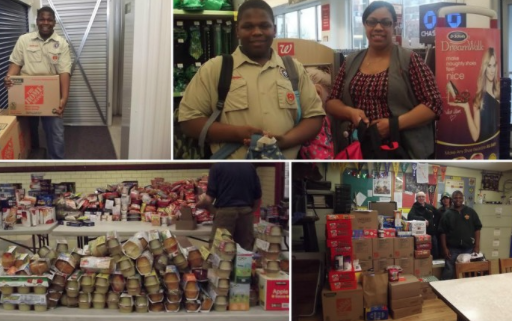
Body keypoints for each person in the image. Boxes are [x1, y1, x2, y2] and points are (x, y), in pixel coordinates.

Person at [178, 0, 325, 159]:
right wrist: (237, 134)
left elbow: (314, 117)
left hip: (286, 169)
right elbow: (189, 121)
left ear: (274, 30)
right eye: (248, 27)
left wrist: (284, 141)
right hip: (233, 171)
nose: (257, 32)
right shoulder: (215, 69)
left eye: (264, 26)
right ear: (237, 31)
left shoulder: (293, 69)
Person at [326, 1, 442, 159]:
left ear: (394, 26)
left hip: (401, 148)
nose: (378, 27)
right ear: (365, 25)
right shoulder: (351, 61)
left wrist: (393, 125)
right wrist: (350, 112)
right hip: (358, 147)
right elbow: (332, 102)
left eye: (386, 22)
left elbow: (434, 104)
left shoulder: (409, 60)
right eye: (372, 22)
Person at [4, 6, 71, 159]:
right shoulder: (24, 40)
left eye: (49, 19)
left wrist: (64, 99)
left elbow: (64, 72)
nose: (45, 22)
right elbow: (16, 63)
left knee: (56, 134)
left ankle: (57, 163)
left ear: (54, 22)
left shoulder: (61, 44)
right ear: (37, 21)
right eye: (42, 19)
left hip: (51, 96)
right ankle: (33, 157)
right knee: (27, 132)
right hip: (26, 95)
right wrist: (9, 77)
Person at [197, 163, 262, 251]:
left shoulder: (217, 167)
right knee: (245, 251)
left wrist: (198, 204)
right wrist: (250, 212)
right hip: (246, 213)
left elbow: (209, 200)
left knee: (219, 250)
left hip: (225, 214)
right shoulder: (250, 166)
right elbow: (257, 197)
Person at [447, 47, 500, 143]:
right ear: (484, 67)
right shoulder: (479, 98)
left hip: (495, 147)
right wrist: (467, 108)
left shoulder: (499, 92)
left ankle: (450, 87)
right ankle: (450, 87)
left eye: (494, 65)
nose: (492, 70)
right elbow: (475, 136)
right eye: (489, 65)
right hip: (483, 148)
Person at [438, 190, 482, 280]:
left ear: (463, 199)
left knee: (468, 271)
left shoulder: (471, 212)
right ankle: (444, 290)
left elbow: (477, 229)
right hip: (452, 249)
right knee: (449, 270)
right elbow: (442, 232)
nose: (458, 199)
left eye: (460, 198)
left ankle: (466, 290)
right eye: (455, 198)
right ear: (452, 200)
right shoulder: (447, 214)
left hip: (468, 248)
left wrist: (477, 246)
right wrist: (445, 248)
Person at [408, 191, 441, 259]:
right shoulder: (415, 206)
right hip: (420, 233)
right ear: (417, 198)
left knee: (434, 248)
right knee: (422, 250)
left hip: (431, 231)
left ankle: (434, 262)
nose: (421, 198)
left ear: (425, 198)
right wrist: (423, 220)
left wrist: (433, 222)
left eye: (422, 197)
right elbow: (410, 216)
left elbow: (438, 214)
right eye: (419, 197)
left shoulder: (429, 206)